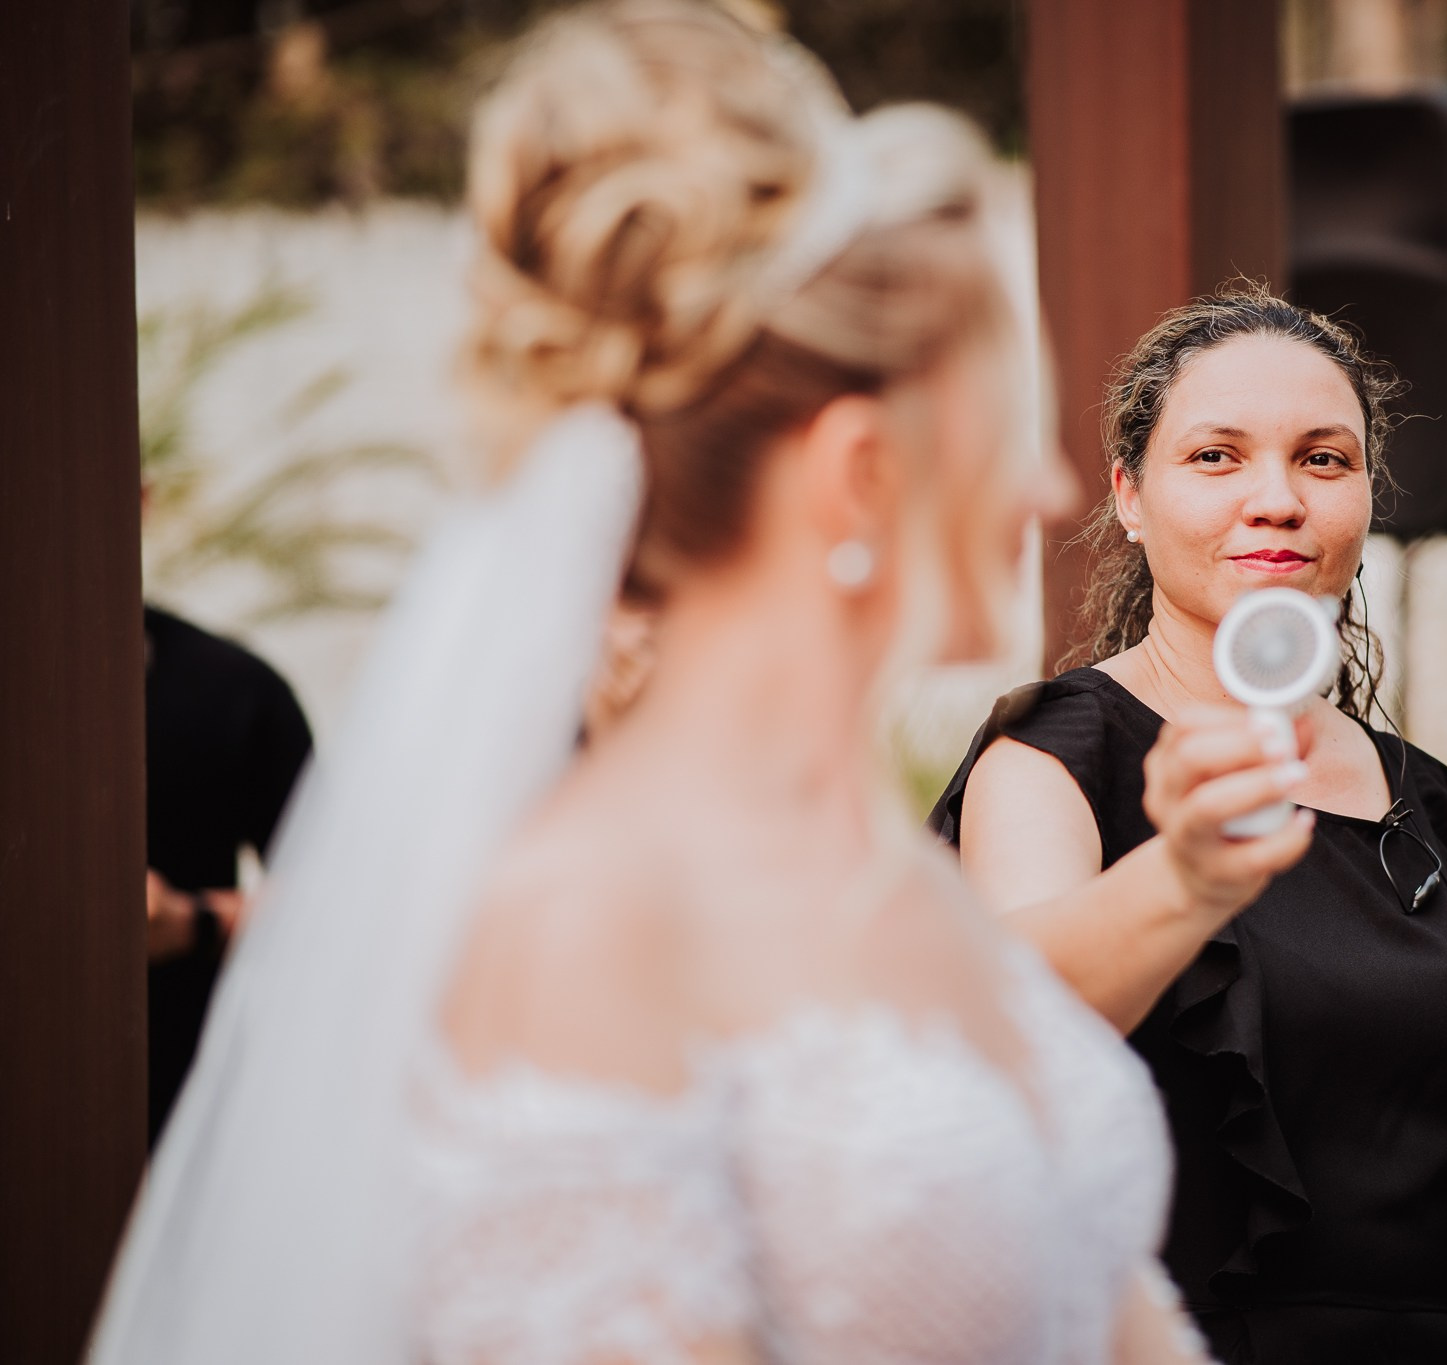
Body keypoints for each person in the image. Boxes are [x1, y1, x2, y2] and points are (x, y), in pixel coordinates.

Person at [91, 4, 1213, 1363]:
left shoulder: (888, 861)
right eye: (1014, 424)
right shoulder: (581, 924)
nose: (1046, 487)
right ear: (859, 468)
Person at [933, 288, 1447, 1365]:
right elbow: (1011, 1022)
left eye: (1322, 460)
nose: (1275, 499)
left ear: (1366, 498)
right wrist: (1182, 878)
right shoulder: (1057, 754)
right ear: (1127, 497)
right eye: (1216, 457)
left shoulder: (1411, 790)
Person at [142, 604, 313, 1144]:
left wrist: (195, 921)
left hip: (178, 1099)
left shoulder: (236, 688)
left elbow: (333, 905)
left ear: (142, 511)